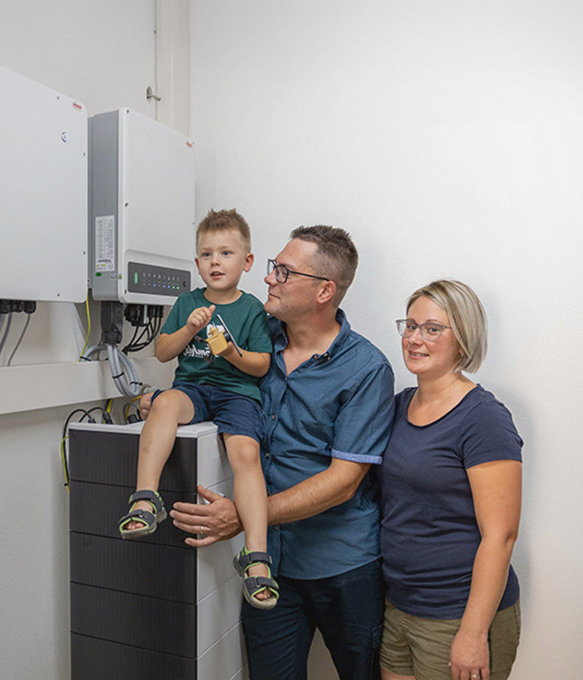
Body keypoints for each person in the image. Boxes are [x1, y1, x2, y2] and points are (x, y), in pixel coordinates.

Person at [163, 226, 395, 679]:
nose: (269, 278)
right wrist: (162, 403)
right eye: (273, 268)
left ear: (324, 290)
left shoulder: (367, 369)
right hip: (266, 568)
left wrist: (246, 517)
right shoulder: (252, 338)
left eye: (284, 272)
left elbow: (343, 482)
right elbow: (202, 381)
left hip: (342, 568)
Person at [118, 208, 278, 608]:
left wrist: (233, 353)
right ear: (196, 263)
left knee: (245, 452)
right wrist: (189, 328)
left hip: (238, 393)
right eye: (207, 255)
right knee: (165, 402)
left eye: (226, 253)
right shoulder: (187, 301)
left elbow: (261, 364)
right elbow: (161, 352)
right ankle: (145, 497)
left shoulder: (252, 308)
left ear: (247, 261)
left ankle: (256, 556)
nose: (215, 262)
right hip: (193, 389)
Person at [379, 280, 522, 680]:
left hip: (458, 614)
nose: (414, 338)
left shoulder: (483, 419)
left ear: (463, 339)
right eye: (409, 325)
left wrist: (473, 634)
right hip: (401, 604)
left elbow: (501, 535)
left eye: (432, 328)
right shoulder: (398, 405)